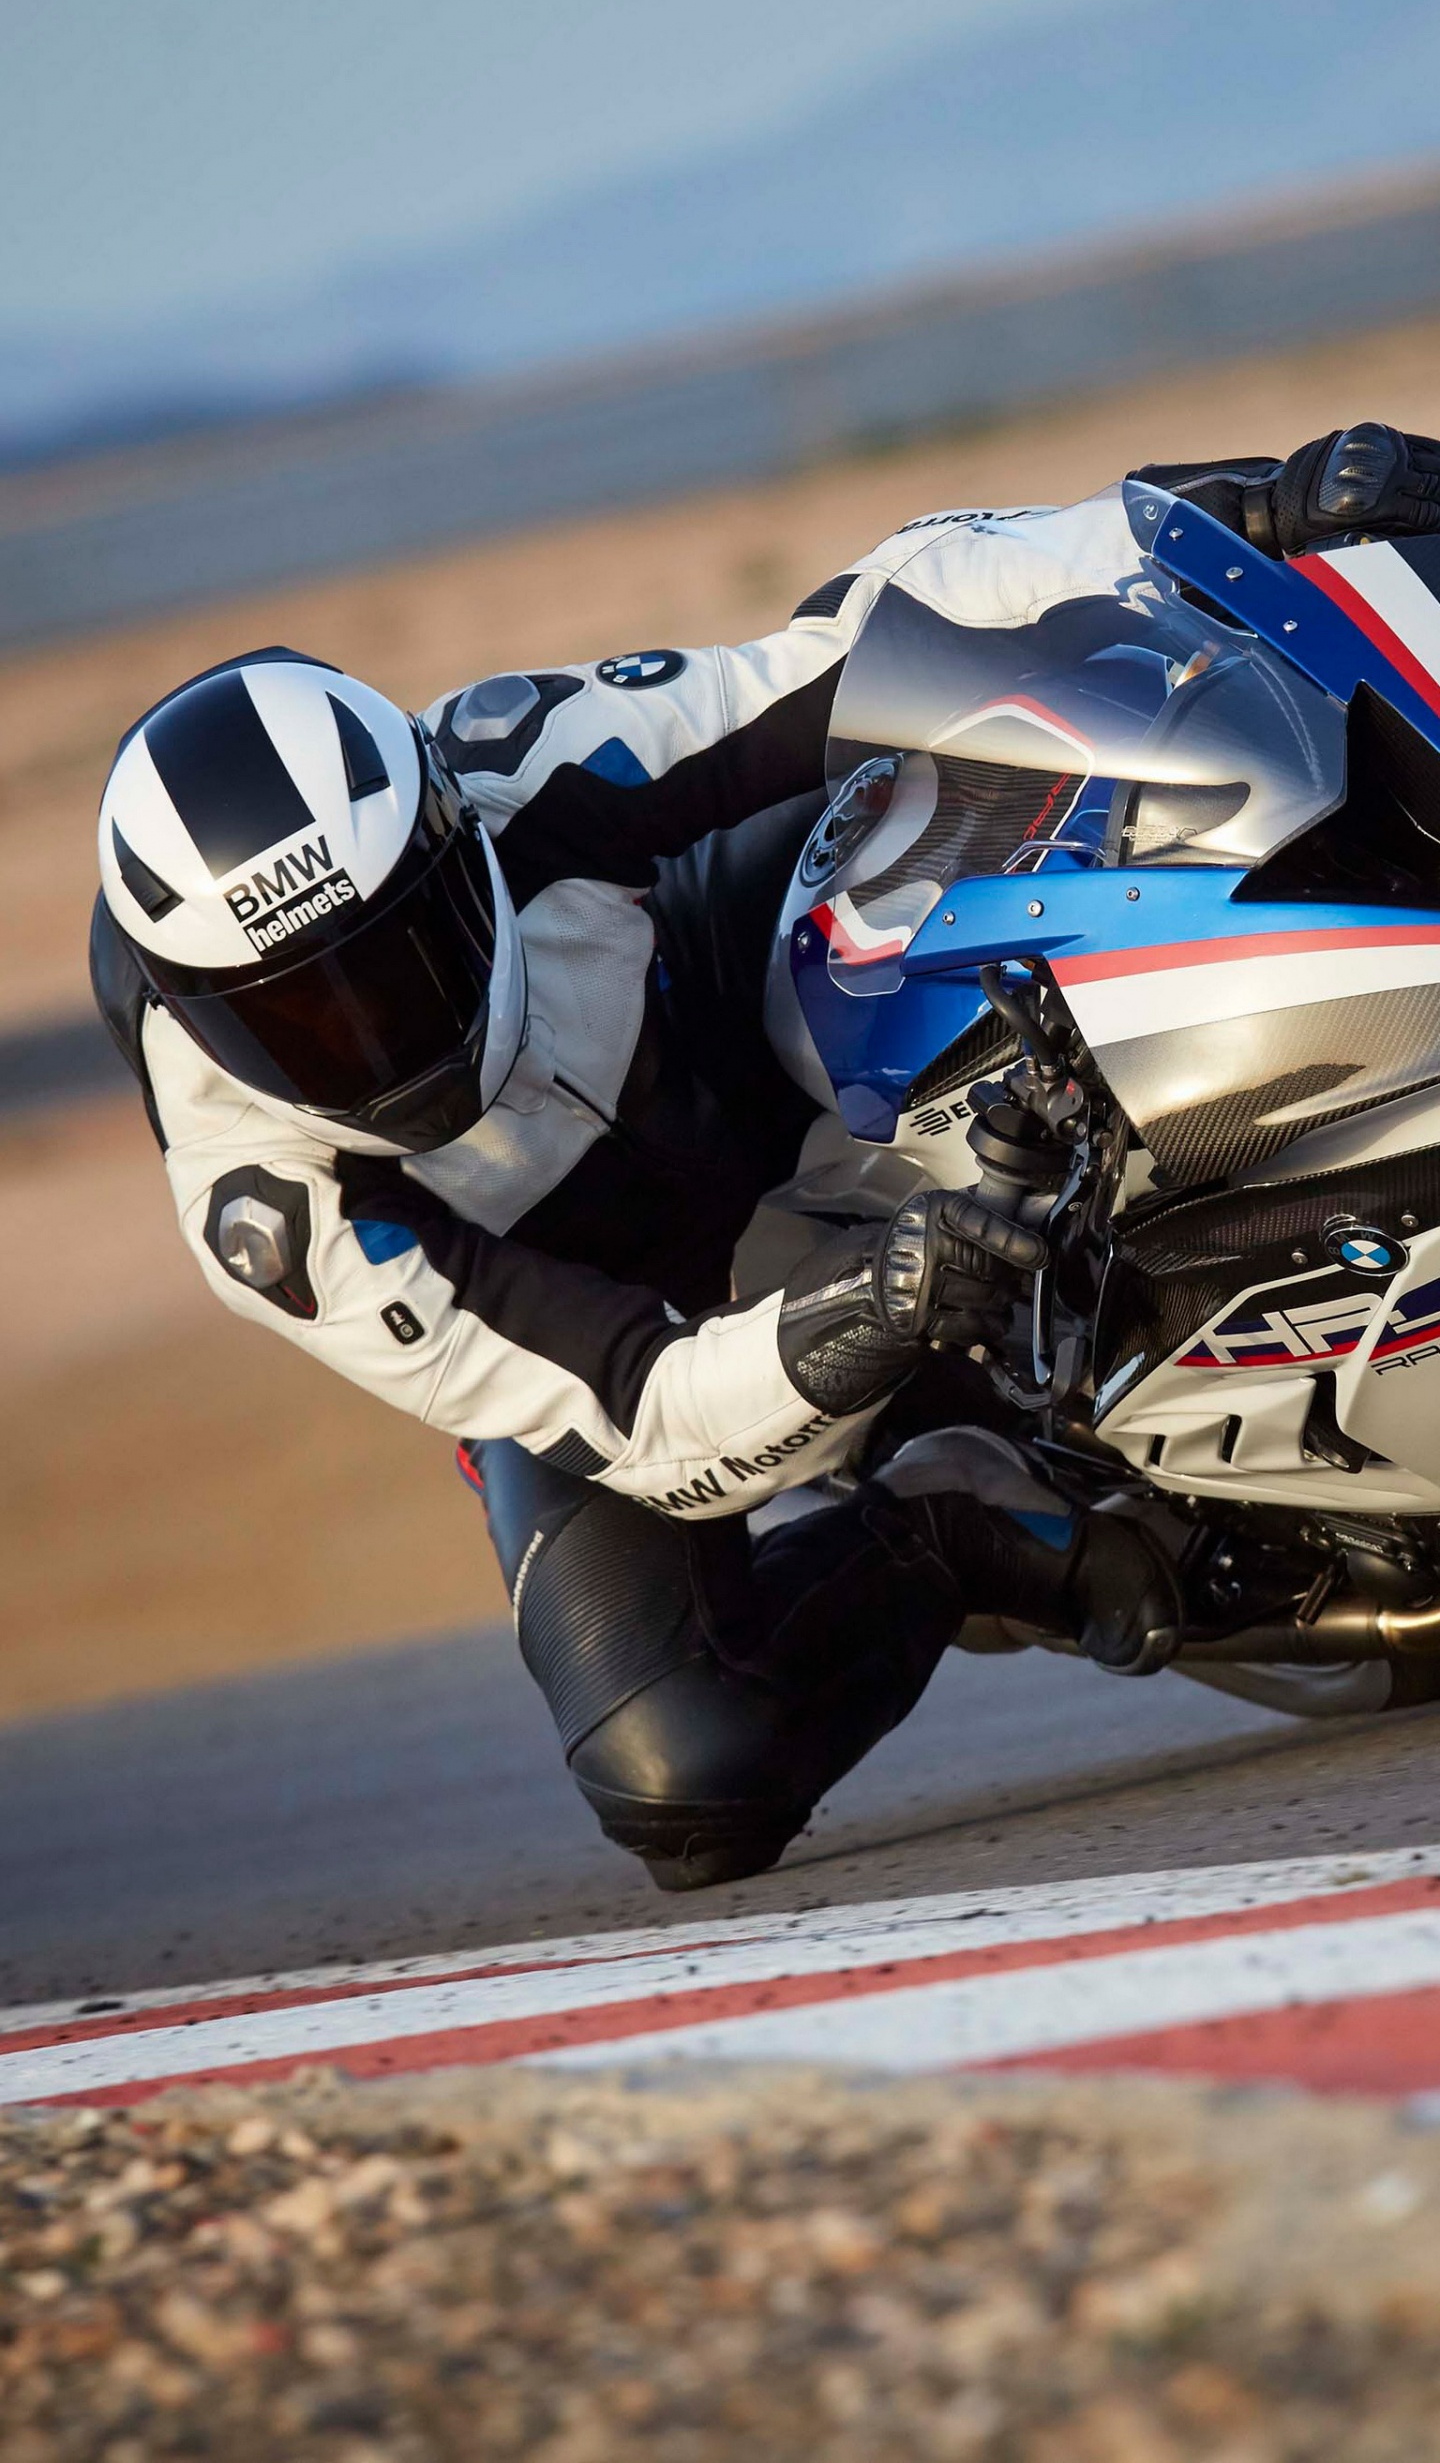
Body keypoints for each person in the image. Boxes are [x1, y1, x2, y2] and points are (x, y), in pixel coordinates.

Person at [91, 422, 1440, 1889]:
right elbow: (652, 1418)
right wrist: (878, 1309)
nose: (373, 1041)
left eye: (395, 964)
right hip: (590, 1304)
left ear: (448, 847)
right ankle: (969, 1514)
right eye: (296, 1022)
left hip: (725, 1003)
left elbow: (885, 628)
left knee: (1005, 759)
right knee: (683, 1772)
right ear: (193, 1013)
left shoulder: (514, 767)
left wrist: (1237, 506)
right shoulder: (274, 1211)